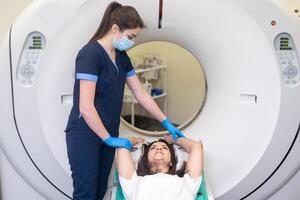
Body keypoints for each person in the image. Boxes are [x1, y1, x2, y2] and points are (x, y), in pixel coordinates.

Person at [64, 1, 185, 199]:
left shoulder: (121, 56)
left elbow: (141, 94)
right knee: (85, 194)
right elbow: (86, 108)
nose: (132, 42)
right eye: (130, 36)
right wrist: (108, 138)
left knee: (100, 191)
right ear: (115, 29)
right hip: (85, 135)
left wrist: (166, 122)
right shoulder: (89, 55)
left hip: (108, 135)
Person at [116, 135, 204, 200]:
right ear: (146, 160)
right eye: (153, 148)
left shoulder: (186, 181)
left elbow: (196, 147)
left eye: (164, 148)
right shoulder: (134, 182)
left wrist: (173, 139)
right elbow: (122, 145)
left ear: (171, 162)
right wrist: (137, 140)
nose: (159, 149)